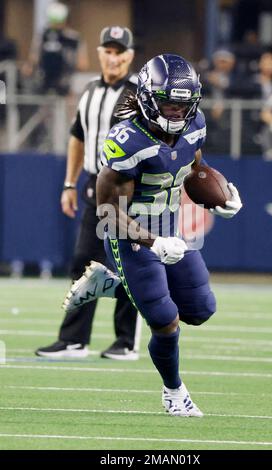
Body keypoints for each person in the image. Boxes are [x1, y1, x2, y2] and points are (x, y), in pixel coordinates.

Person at [62, 54, 242, 416]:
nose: (176, 113)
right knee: (164, 320)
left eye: (183, 106)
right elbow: (107, 212)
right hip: (130, 235)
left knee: (201, 309)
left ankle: (109, 284)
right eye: (168, 104)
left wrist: (218, 197)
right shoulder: (127, 140)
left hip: (170, 230)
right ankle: (174, 392)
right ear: (146, 98)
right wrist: (154, 242)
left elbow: (193, 168)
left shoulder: (195, 126)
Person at [35, 26, 140, 360]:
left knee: (128, 262)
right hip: (96, 183)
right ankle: (74, 339)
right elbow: (78, 137)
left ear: (130, 55)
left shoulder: (139, 94)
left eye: (119, 51)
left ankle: (126, 341)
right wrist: (70, 182)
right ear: (99, 54)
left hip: (129, 184)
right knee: (84, 260)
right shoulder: (90, 90)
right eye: (107, 51)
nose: (113, 57)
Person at [22, 1, 89, 95]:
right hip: (43, 84)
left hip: (66, 84)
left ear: (65, 21)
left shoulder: (74, 39)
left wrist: (65, 63)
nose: (55, 26)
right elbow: (33, 60)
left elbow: (83, 65)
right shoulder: (42, 36)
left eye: (58, 22)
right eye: (52, 22)